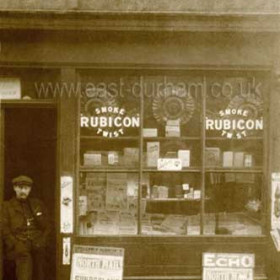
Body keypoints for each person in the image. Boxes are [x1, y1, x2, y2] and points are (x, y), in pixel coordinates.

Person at [2, 175, 50, 280]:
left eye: (26, 188)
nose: (23, 191)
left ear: (30, 189)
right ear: (15, 188)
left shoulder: (36, 204)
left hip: (37, 244)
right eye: (20, 187)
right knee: (24, 271)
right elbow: (4, 229)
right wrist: (15, 244)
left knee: (40, 272)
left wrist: (42, 241)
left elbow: (47, 226)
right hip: (19, 245)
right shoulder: (6, 206)